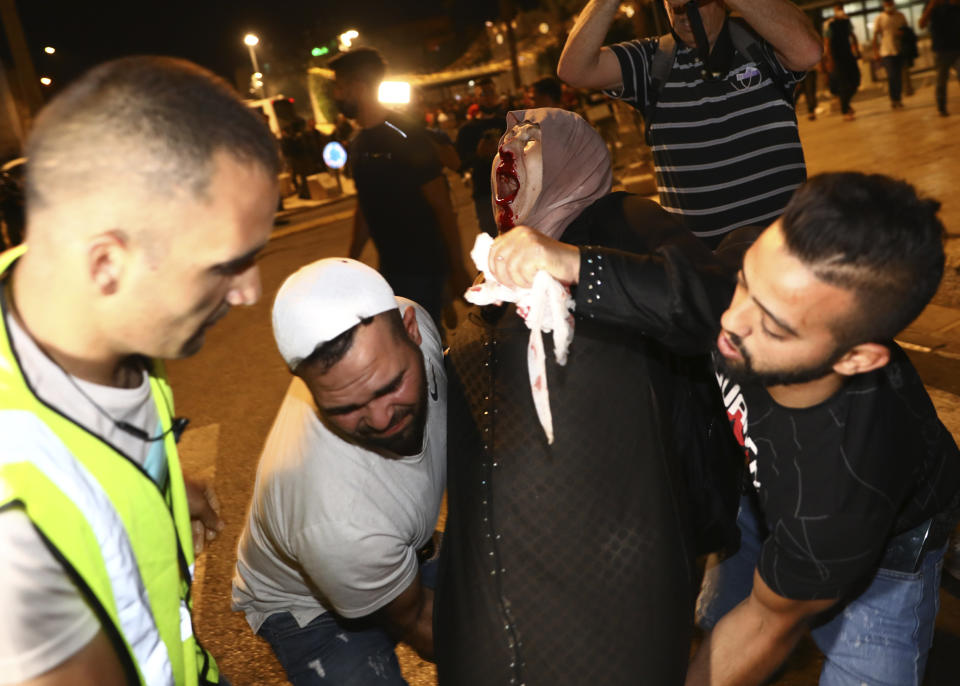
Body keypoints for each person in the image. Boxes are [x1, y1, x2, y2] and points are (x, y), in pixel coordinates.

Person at [483, 172, 960, 686]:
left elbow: (764, 623)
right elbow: (690, 290)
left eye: (773, 326)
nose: (732, 321)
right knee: (715, 619)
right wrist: (564, 260)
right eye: (747, 282)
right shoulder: (755, 292)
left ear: (856, 357)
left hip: (886, 549)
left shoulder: (835, 496)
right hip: (762, 487)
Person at [435, 108, 741, 685]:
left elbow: (715, 301)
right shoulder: (507, 246)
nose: (507, 153)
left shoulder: (622, 217)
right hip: (563, 518)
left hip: (642, 503)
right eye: (504, 142)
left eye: (527, 142)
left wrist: (578, 267)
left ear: (569, 156)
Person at [0, 56, 279, 685]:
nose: (249, 293)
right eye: (225, 265)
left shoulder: (72, 296)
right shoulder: (14, 529)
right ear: (106, 265)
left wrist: (157, 478)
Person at [232, 258, 446, 686]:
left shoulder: (408, 314)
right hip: (310, 609)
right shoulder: (337, 516)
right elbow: (419, 621)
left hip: (389, 539)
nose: (383, 418)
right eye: (346, 409)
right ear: (309, 393)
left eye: (390, 385)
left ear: (411, 329)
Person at [557, 0, 822, 248]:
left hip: (787, 249)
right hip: (705, 268)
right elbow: (573, 71)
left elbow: (808, 51)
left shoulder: (760, 43)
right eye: (675, 7)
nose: (684, 17)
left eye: (694, 4)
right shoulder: (651, 61)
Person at [328, 47, 470, 324]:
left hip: (423, 268)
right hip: (391, 271)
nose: (336, 96)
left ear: (357, 87)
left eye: (339, 87)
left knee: (420, 352)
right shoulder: (357, 143)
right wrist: (350, 260)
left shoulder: (406, 134)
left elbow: (443, 206)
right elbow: (366, 206)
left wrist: (457, 268)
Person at [455, 77, 507, 238]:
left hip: (514, 189)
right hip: (485, 192)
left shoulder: (510, 120)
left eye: (491, 92)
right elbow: (459, 164)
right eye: (484, 93)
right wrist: (478, 154)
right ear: (476, 98)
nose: (489, 97)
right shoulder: (467, 130)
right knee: (493, 241)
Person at [920, 0, 960, 117]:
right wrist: (931, 7)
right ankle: (941, 107)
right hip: (941, 49)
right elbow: (921, 24)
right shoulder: (932, 4)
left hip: (958, 47)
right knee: (941, 80)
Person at [824, 3, 862, 121]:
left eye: (841, 9)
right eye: (838, 9)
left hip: (849, 56)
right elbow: (827, 42)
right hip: (837, 57)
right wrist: (829, 59)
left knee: (856, 80)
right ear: (834, 10)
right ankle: (845, 110)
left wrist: (856, 49)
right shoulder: (830, 24)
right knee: (844, 84)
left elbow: (852, 35)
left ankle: (845, 103)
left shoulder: (846, 22)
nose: (840, 11)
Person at [873, 0, 909, 109]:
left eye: (890, 3)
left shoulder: (900, 16)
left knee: (898, 76)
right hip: (886, 51)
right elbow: (875, 36)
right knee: (892, 75)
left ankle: (898, 98)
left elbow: (907, 31)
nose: (889, 5)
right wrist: (876, 52)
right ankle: (894, 98)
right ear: (884, 4)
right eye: (887, 3)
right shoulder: (880, 18)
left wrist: (903, 34)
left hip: (899, 50)